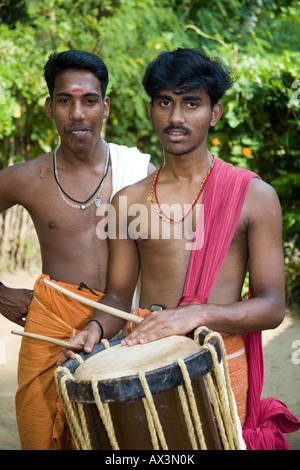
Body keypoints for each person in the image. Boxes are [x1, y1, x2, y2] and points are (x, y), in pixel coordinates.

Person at [61, 48, 300, 450]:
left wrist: (195, 314)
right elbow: (119, 294)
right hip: (144, 366)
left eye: (191, 103)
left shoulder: (254, 196)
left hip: (220, 360)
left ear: (215, 112)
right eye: (165, 103)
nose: (176, 117)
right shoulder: (127, 201)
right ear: (151, 109)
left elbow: (273, 306)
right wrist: (95, 330)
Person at [0, 49, 155, 450]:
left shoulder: (140, 175)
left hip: (126, 327)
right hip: (51, 329)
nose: (78, 113)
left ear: (105, 106)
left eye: (89, 100)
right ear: (50, 107)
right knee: (41, 436)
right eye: (65, 100)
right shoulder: (25, 178)